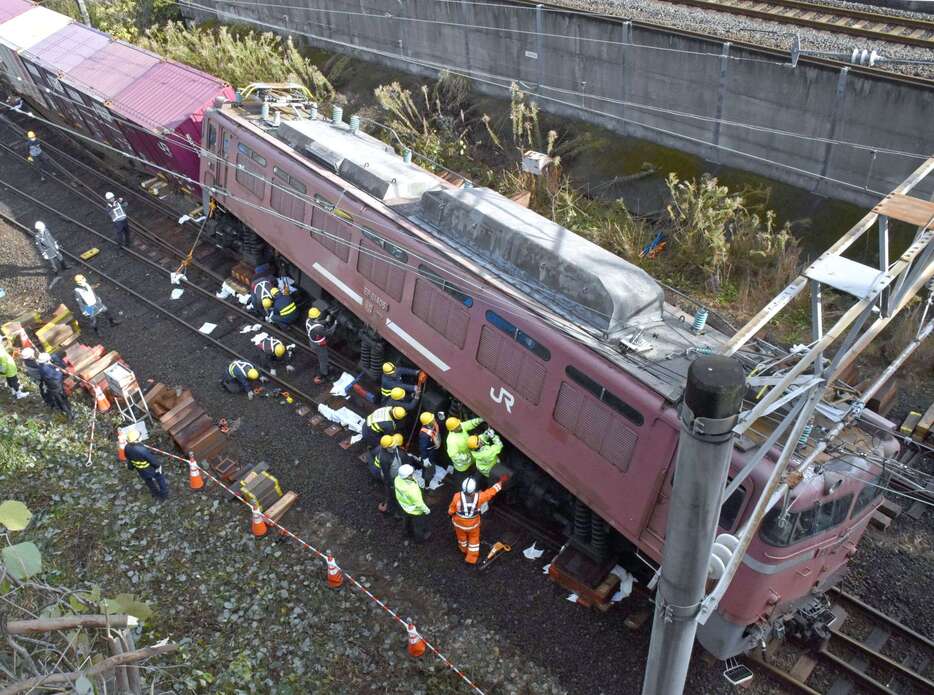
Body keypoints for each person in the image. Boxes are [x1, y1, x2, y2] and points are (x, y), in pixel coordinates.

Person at [448, 475, 507, 564]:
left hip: (458, 524)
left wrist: (450, 514)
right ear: (474, 489)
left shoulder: (456, 496)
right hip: (473, 525)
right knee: (474, 540)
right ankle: (471, 558)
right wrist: (500, 482)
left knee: (461, 537)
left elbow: (451, 509)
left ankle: (463, 549)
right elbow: (491, 492)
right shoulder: (480, 497)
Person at [123, 429, 168, 501]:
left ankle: (155, 494)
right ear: (136, 440)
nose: (141, 436)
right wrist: (158, 466)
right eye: (140, 436)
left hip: (141, 471)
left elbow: (129, 459)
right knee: (160, 478)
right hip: (150, 469)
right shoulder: (141, 450)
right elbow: (151, 460)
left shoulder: (127, 448)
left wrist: (130, 467)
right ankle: (164, 494)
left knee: (149, 482)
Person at [445, 416, 484, 491]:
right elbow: (454, 456)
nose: (460, 425)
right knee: (461, 481)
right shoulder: (451, 441)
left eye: (459, 424)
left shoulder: (460, 427)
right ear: (452, 429)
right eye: (458, 426)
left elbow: (470, 424)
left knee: (472, 470)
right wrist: (466, 457)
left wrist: (481, 419)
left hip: (470, 459)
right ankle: (462, 490)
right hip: (462, 467)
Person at [394, 464, 430, 542]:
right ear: (407, 476)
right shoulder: (412, 490)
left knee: (407, 519)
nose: (413, 474)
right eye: (411, 474)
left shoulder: (397, 479)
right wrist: (426, 510)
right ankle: (419, 539)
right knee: (418, 525)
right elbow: (419, 503)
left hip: (405, 506)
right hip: (415, 511)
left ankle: (406, 531)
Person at [37, 352, 73, 420]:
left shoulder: (41, 366)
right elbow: (57, 377)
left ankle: (61, 409)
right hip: (56, 387)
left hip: (51, 387)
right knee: (62, 400)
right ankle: (69, 414)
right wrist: (59, 371)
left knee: (57, 399)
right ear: (46, 361)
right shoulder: (46, 369)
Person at [305, 307, 337, 384]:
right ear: (317, 317)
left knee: (323, 359)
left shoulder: (308, 320)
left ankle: (325, 369)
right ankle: (325, 374)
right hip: (319, 346)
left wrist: (325, 321)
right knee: (323, 360)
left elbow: (317, 324)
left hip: (313, 342)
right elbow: (329, 333)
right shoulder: (318, 329)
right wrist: (335, 325)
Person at [418, 411, 441, 483]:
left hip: (433, 447)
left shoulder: (431, 424)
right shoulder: (424, 435)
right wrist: (425, 458)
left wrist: (441, 418)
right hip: (428, 452)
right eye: (432, 420)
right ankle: (426, 481)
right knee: (428, 467)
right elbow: (423, 447)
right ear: (428, 423)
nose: (434, 420)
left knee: (433, 461)